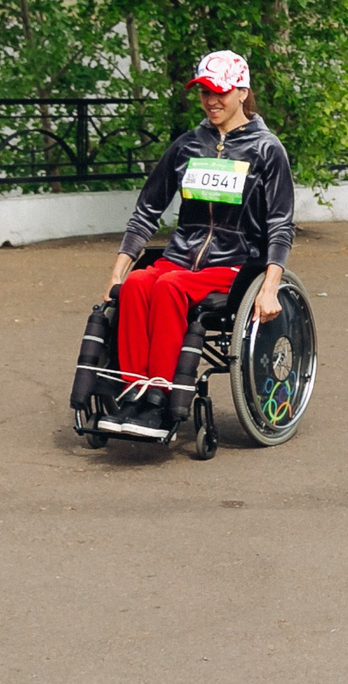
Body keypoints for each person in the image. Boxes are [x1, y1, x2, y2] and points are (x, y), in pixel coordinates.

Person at [97, 49, 294, 435]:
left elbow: (280, 225)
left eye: (220, 91)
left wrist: (270, 287)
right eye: (204, 91)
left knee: (170, 287)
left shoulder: (266, 149)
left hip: (234, 265)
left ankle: (161, 397)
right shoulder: (188, 145)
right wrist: (116, 273)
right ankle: (133, 392)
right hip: (182, 257)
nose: (211, 100)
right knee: (137, 285)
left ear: (242, 92)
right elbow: (146, 211)